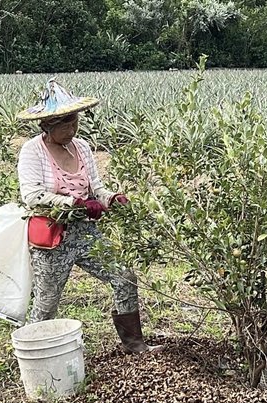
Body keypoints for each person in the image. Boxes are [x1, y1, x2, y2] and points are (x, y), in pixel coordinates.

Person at [16, 79, 161, 354]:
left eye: (74, 122)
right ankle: (33, 352)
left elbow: (96, 186)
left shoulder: (81, 147)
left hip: (85, 233)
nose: (71, 130)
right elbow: (32, 196)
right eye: (64, 125)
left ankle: (134, 345)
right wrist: (75, 203)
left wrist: (110, 198)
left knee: (124, 276)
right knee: (47, 302)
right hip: (52, 239)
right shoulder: (32, 150)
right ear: (46, 125)